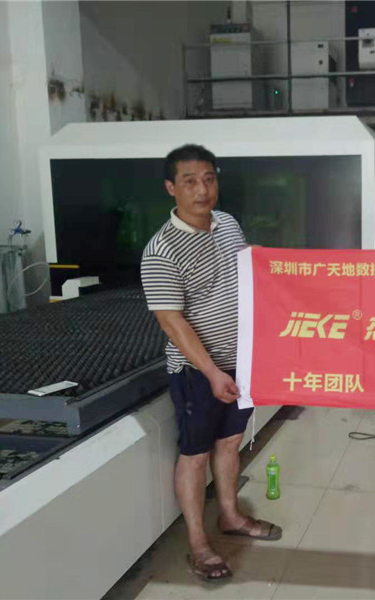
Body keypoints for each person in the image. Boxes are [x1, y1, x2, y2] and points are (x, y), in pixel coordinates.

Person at [141, 144, 281, 582]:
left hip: (241, 362)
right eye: (190, 181)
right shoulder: (161, 251)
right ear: (171, 188)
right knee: (195, 454)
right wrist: (212, 372)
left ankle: (231, 516)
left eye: (209, 179)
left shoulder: (227, 224)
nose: (202, 190)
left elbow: (242, 266)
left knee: (229, 443)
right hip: (198, 373)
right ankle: (199, 544)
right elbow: (172, 321)